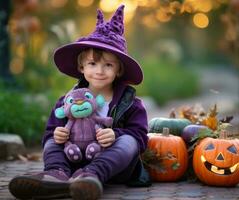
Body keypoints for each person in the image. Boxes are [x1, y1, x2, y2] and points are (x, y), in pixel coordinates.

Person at [9, 5, 151, 200]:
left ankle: (91, 176)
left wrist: (115, 133)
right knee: (51, 141)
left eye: (108, 65)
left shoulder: (131, 104)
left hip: (111, 167)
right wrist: (57, 134)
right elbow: (50, 133)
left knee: (129, 141)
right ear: (81, 67)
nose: (100, 71)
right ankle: (56, 175)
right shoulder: (66, 101)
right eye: (92, 64)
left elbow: (141, 137)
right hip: (71, 158)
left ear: (119, 70)